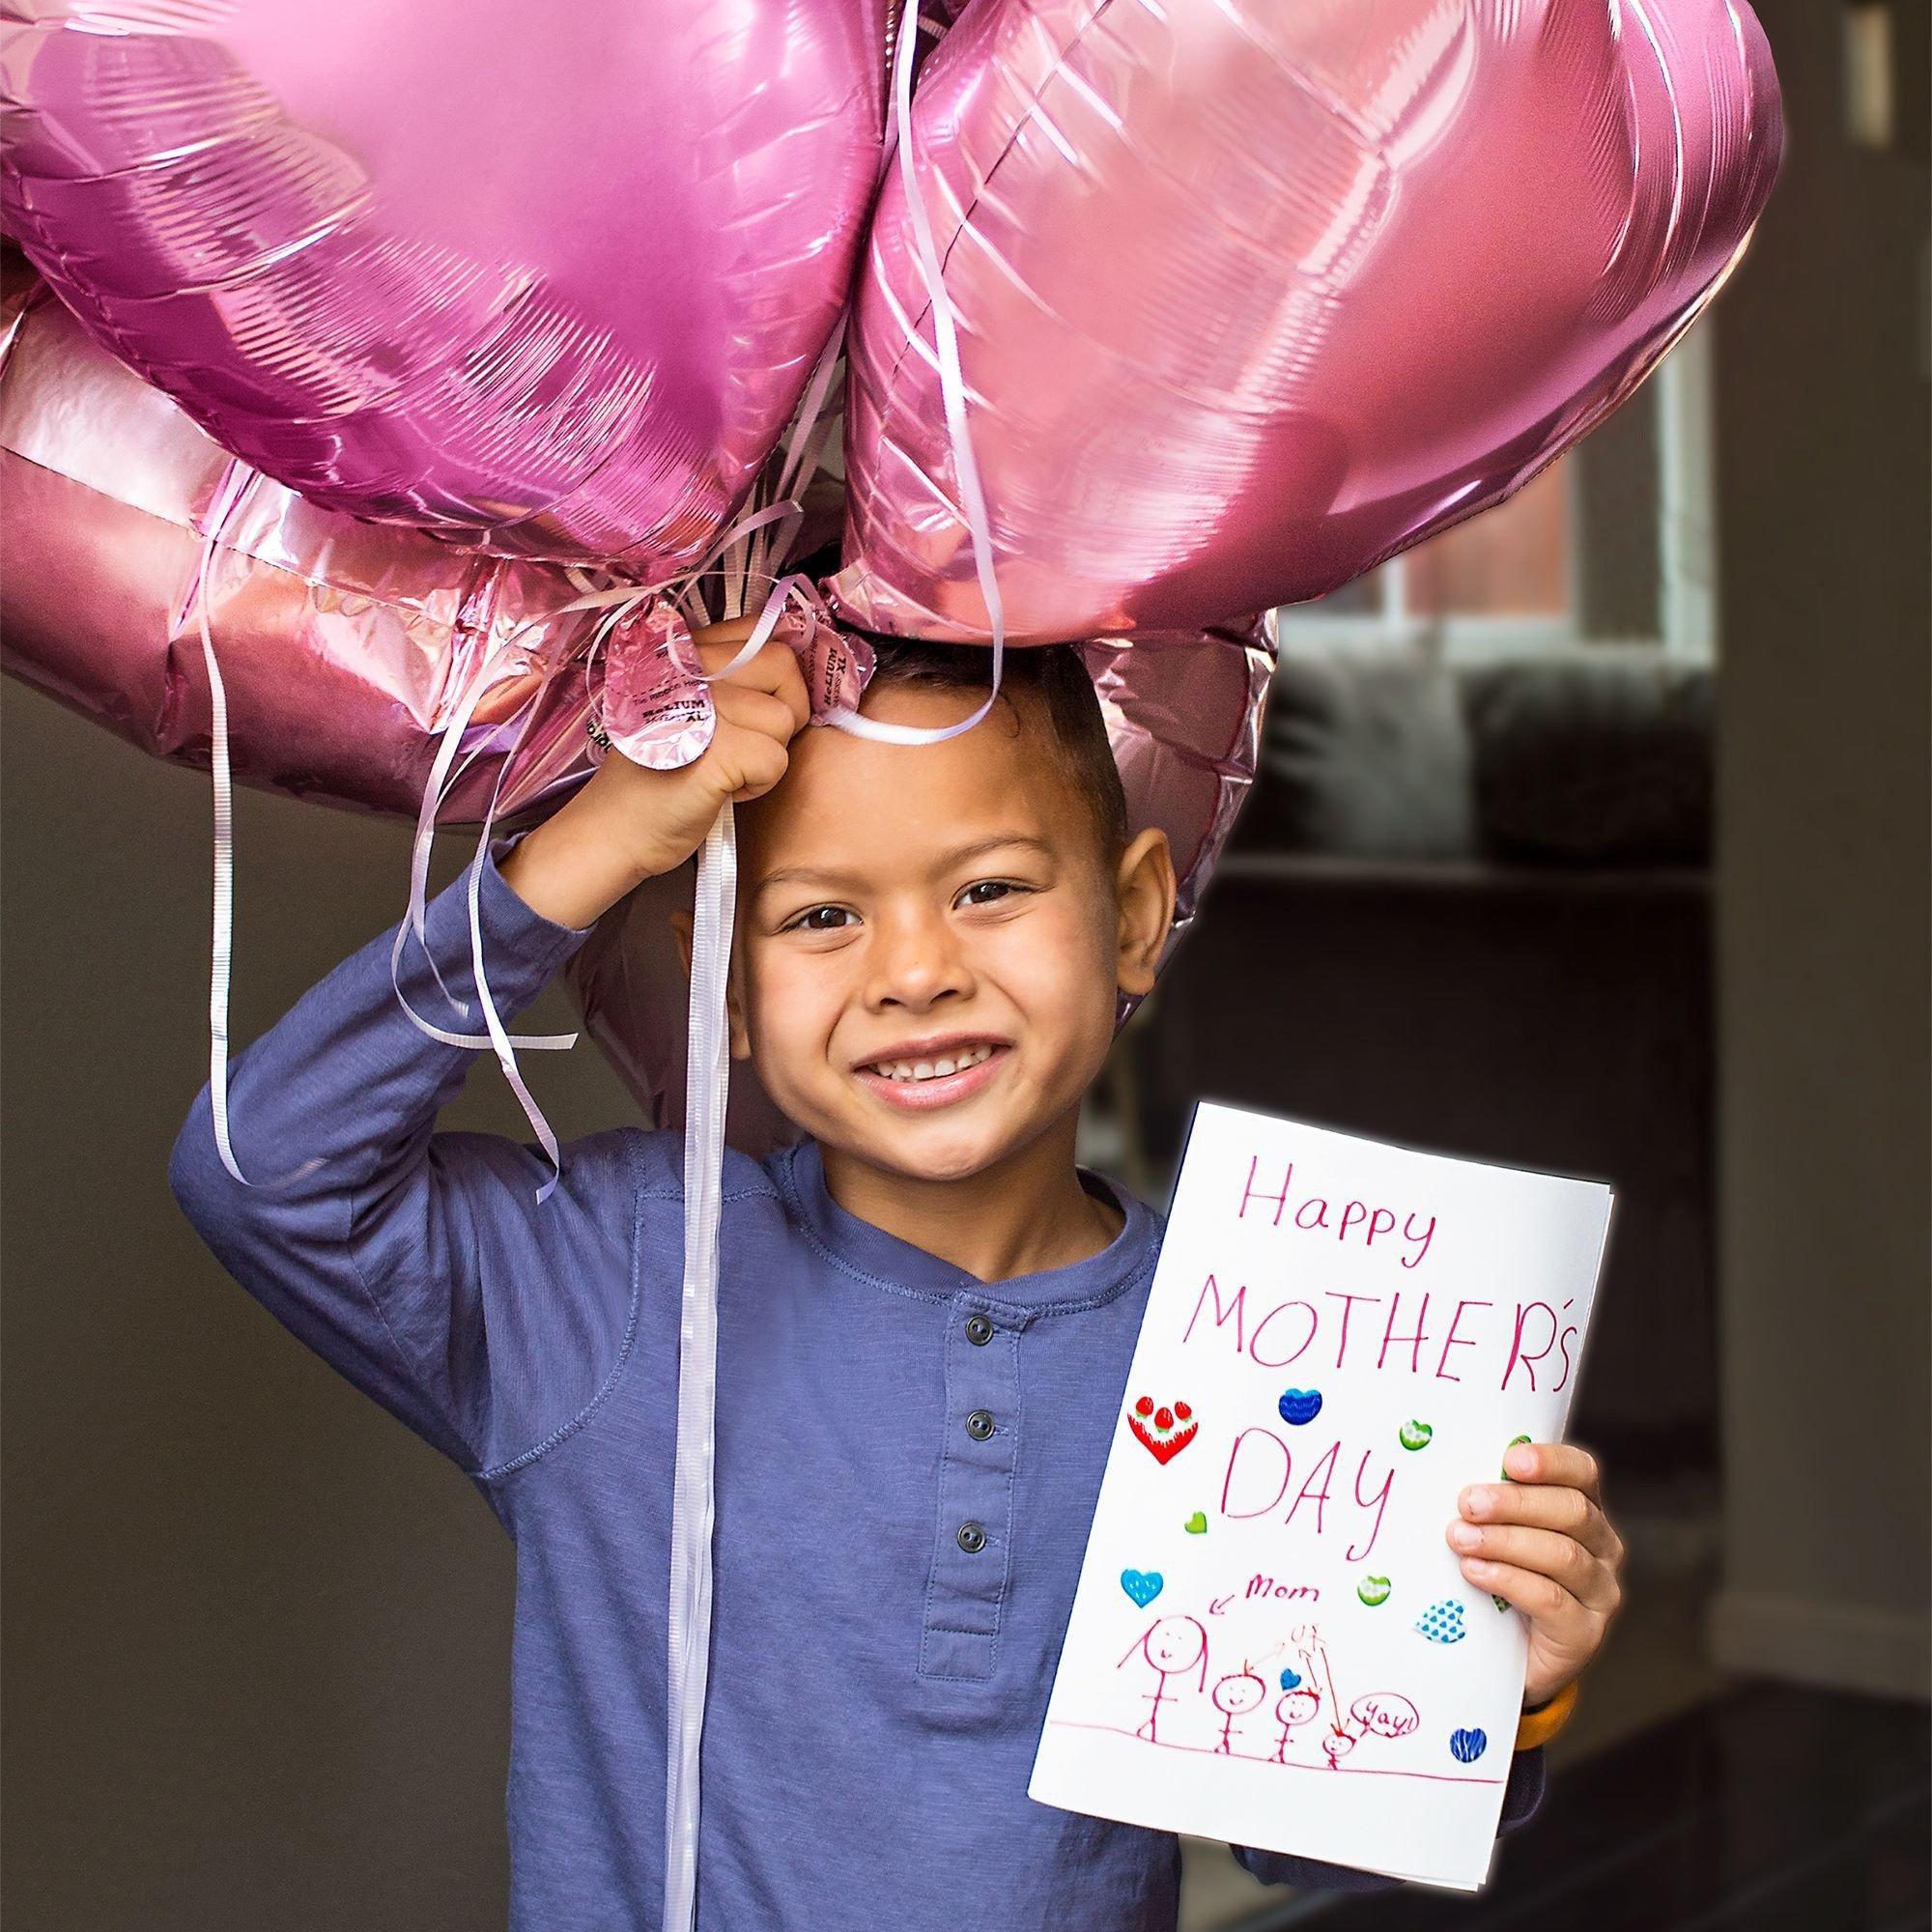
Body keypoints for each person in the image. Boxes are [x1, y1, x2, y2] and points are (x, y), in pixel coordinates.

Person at [168, 617, 1628, 1929]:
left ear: (1130, 918)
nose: (913, 969)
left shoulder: (1256, 1345)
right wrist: (591, 848)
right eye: (820, 916)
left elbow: (1310, 1842)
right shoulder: (618, 1279)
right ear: (726, 987)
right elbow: (263, 1171)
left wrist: (1516, 1682)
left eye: (988, 887)